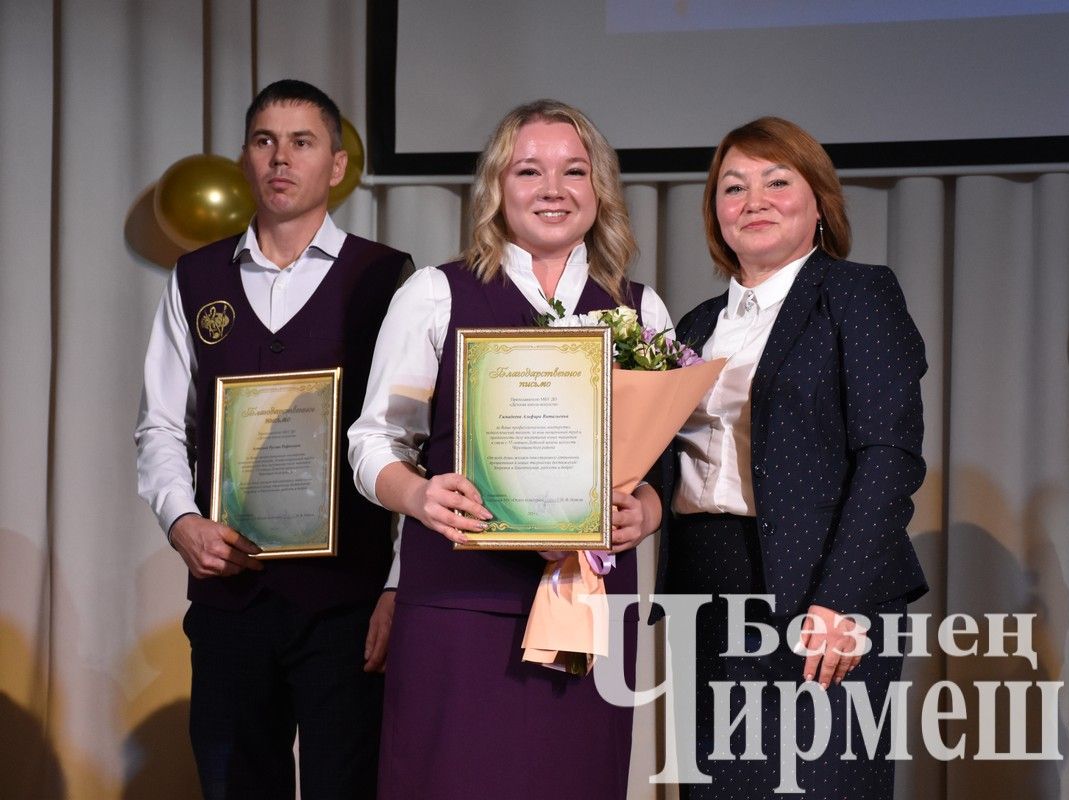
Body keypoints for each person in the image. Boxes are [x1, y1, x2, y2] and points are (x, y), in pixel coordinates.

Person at [347, 99, 670, 799]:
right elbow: (374, 440)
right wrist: (419, 494)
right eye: (529, 170)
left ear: (599, 190)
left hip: (588, 610)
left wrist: (648, 509)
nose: (553, 189)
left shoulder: (641, 310)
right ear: (496, 189)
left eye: (573, 171)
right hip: (458, 604)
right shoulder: (435, 295)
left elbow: (661, 465)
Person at [134, 79, 411, 799]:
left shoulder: (387, 279)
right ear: (244, 159)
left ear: (338, 165)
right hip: (230, 601)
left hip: (346, 606)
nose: (280, 158)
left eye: (302, 142)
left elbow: (415, 444)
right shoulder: (194, 279)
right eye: (264, 141)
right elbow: (162, 425)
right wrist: (181, 521)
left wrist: (396, 586)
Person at [653, 117, 928, 798]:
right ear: (715, 213)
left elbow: (889, 456)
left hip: (818, 592)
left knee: (822, 785)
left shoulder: (857, 294)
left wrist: (841, 602)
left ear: (819, 204)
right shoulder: (691, 326)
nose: (754, 200)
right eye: (733, 187)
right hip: (707, 592)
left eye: (778, 181)